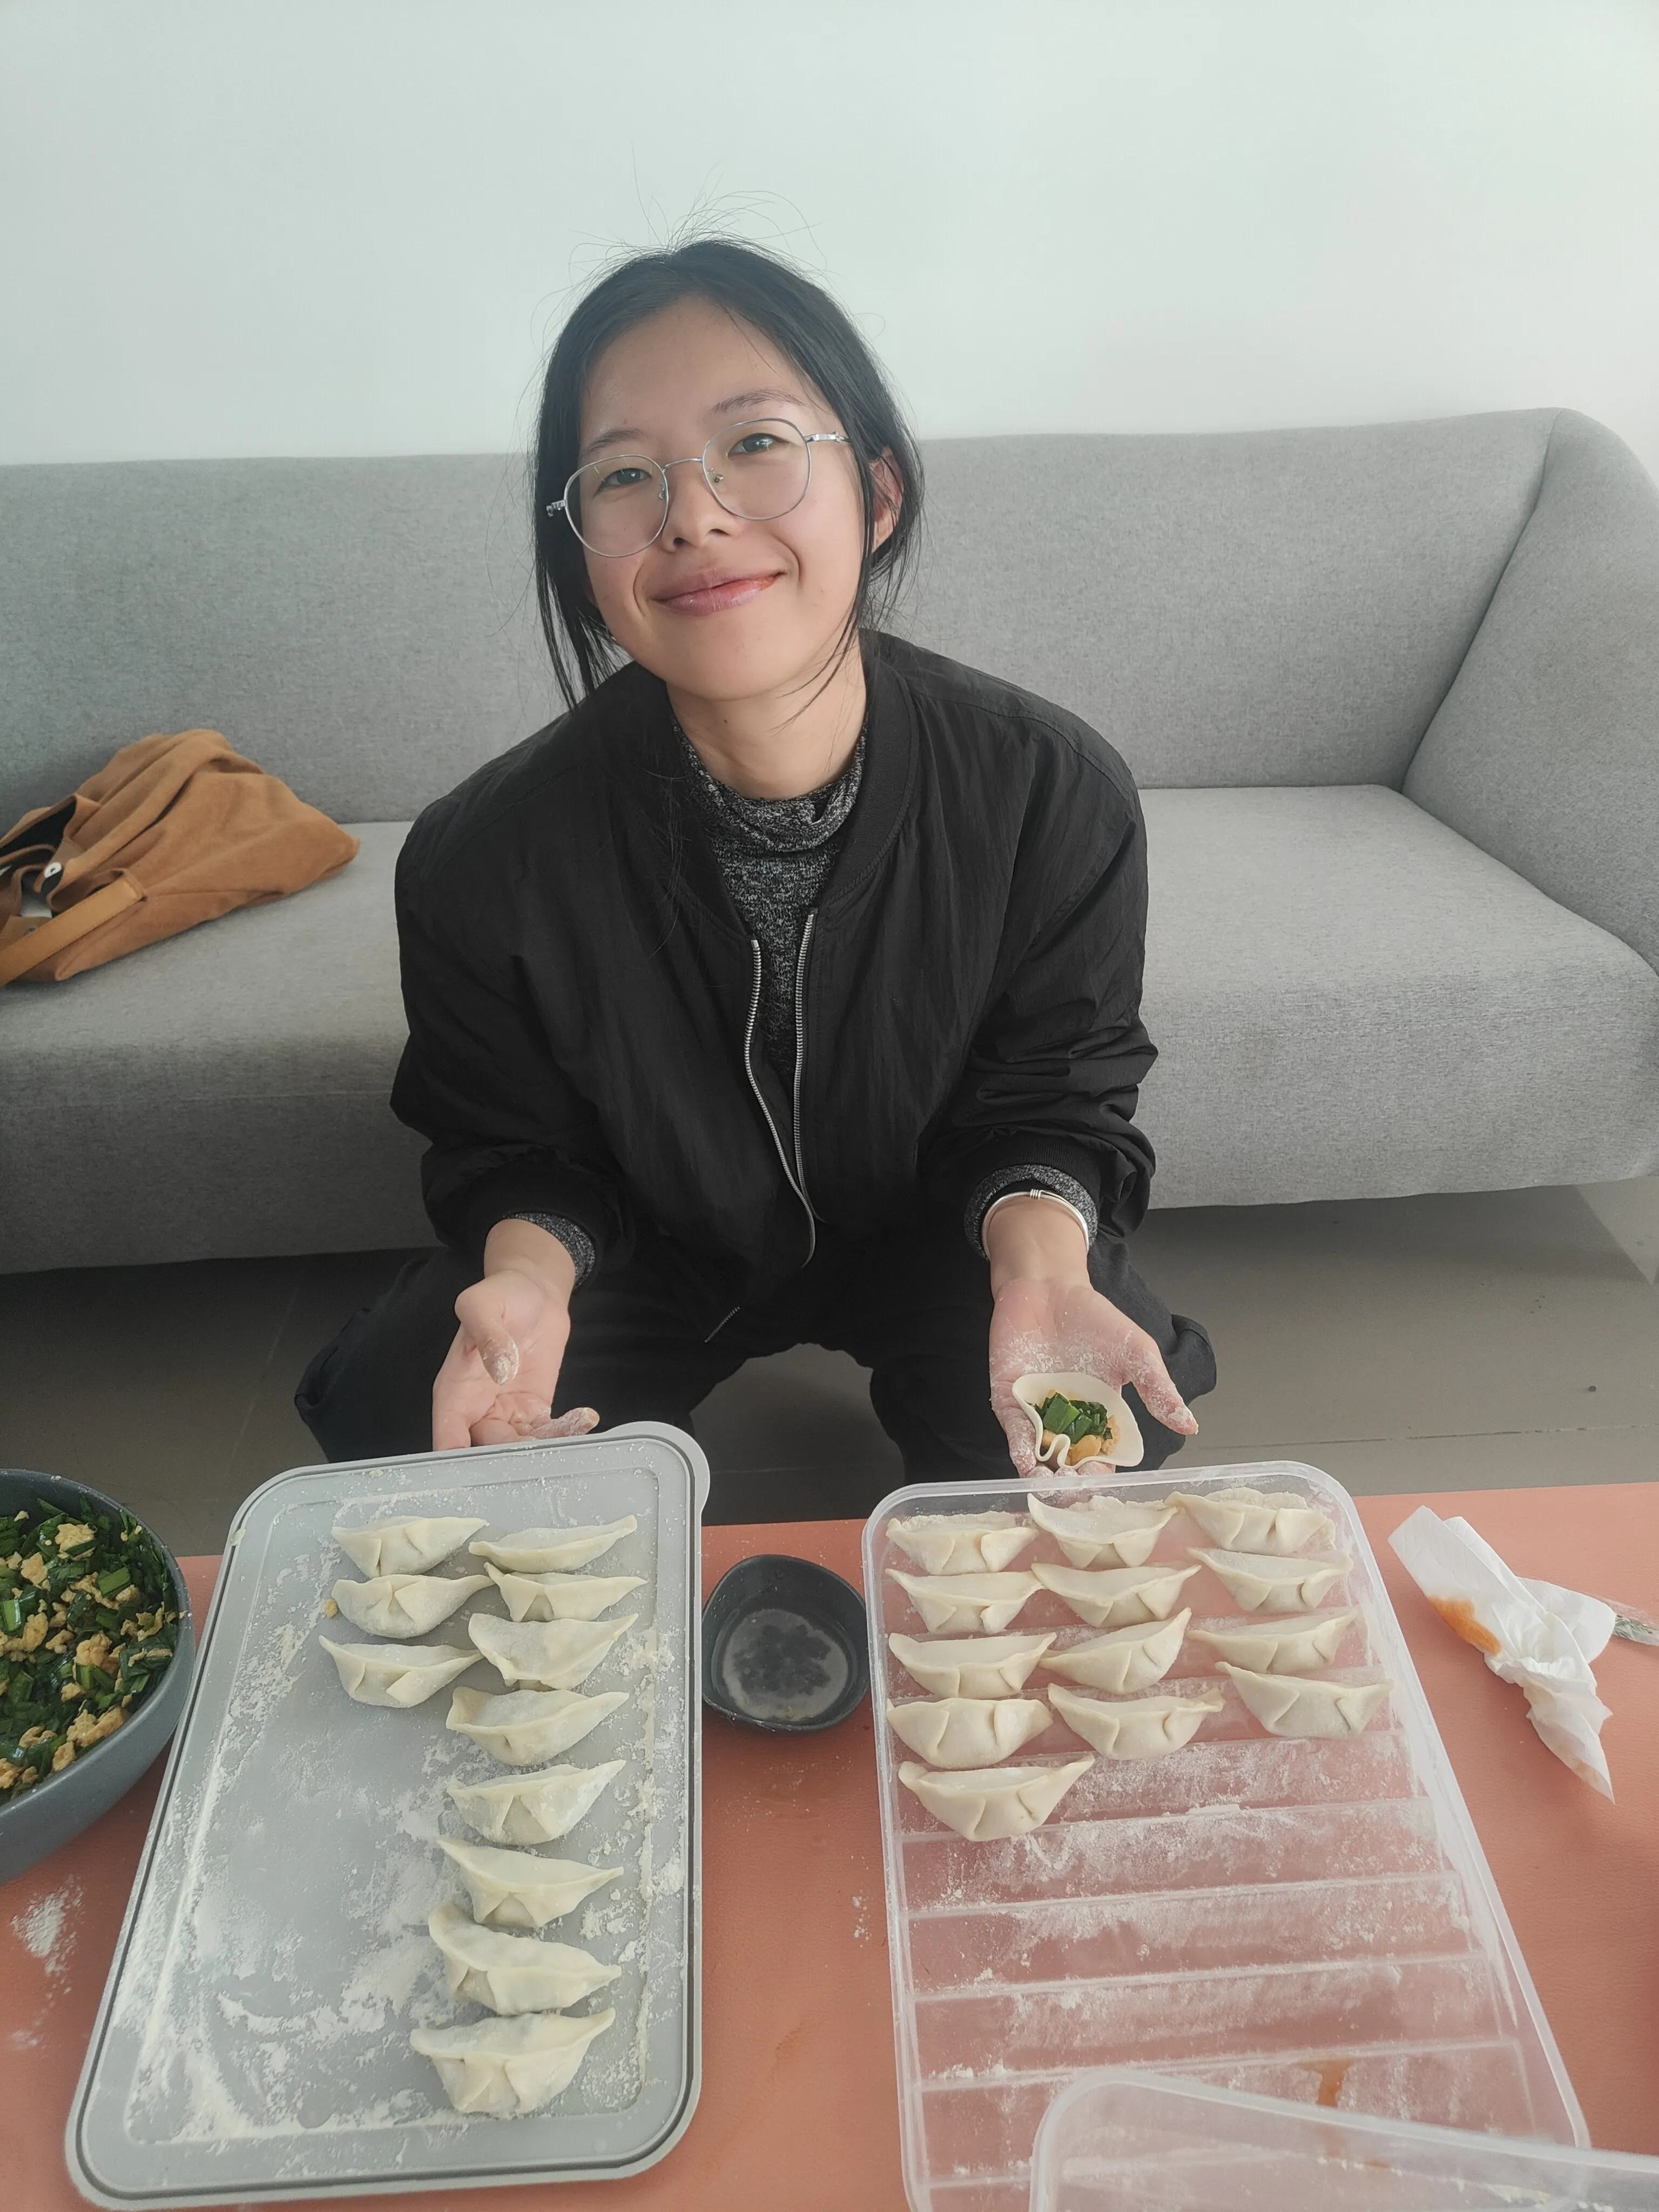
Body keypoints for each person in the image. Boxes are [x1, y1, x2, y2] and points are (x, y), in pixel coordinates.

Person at [296, 236, 1216, 1483]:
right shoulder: (482, 855)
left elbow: (1052, 1095)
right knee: (407, 1425)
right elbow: (514, 1145)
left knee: (1105, 1443)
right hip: (650, 1244)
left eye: (757, 443)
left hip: (944, 1232)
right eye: (624, 474)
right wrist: (525, 1279)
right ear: (580, 555)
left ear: (878, 493)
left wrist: (1043, 1270)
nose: (695, 515)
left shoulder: (1051, 792)